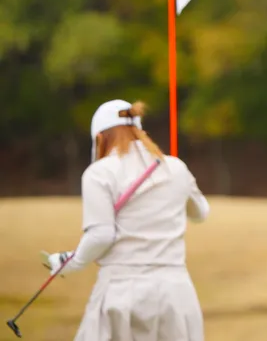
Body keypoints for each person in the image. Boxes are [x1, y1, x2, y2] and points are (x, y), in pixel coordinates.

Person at [43, 99, 209, 341]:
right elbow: (200, 212)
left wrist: (71, 262)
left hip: (122, 291)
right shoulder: (176, 168)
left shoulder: (99, 173)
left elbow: (101, 235)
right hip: (176, 293)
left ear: (100, 138)